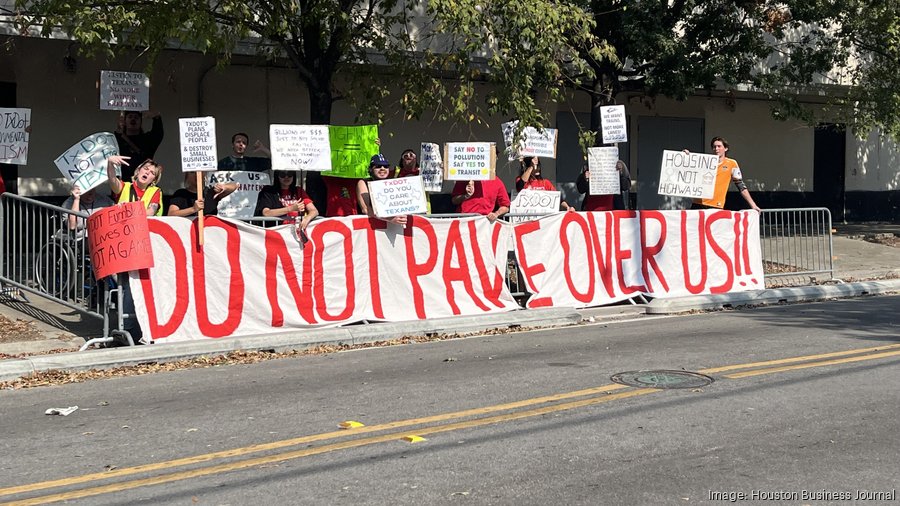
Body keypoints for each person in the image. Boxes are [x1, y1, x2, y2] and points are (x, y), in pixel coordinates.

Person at [689, 137, 761, 211]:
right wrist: (686, 157)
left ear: (725, 148)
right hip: (698, 203)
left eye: (719, 146)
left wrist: (753, 205)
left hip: (716, 205)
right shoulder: (705, 162)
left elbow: (741, 186)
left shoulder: (732, 164)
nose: (716, 149)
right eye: (714, 147)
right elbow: (690, 170)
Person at [254, 170, 318, 231]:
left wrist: (307, 218)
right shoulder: (269, 191)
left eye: (290, 174)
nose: (286, 177)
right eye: (282, 175)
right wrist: (291, 208)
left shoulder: (299, 190)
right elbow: (266, 213)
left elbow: (314, 211)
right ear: (277, 176)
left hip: (296, 229)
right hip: (277, 230)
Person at [357, 154, 408, 225]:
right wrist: (390, 219)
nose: (382, 168)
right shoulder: (363, 182)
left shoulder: (392, 183)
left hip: (391, 228)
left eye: (386, 166)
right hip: (370, 227)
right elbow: (366, 209)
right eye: (378, 166)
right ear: (371, 169)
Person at [115, 111, 164, 182]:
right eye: (130, 117)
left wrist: (156, 117)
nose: (133, 119)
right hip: (121, 182)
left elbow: (158, 133)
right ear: (125, 121)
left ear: (141, 122)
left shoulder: (147, 140)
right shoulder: (117, 139)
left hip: (142, 182)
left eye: (136, 117)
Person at [167, 173, 237, 217]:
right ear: (187, 176)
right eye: (192, 172)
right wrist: (193, 209)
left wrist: (224, 187)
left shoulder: (211, 192)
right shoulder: (181, 194)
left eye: (200, 172)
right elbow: (171, 214)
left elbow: (235, 186)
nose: (196, 175)